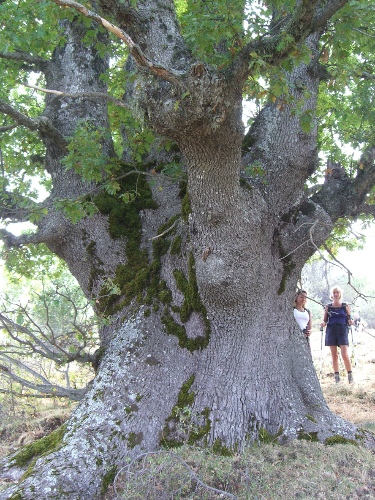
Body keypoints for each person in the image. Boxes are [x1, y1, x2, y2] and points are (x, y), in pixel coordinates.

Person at [320, 286, 353, 384]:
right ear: (332, 294)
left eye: (337, 292)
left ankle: (350, 375)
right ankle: (337, 377)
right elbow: (325, 320)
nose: (335, 294)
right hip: (331, 330)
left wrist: (350, 321)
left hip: (342, 329)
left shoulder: (345, 305)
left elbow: (349, 318)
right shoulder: (328, 307)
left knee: (344, 354)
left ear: (340, 294)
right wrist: (323, 323)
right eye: (334, 292)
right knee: (334, 355)